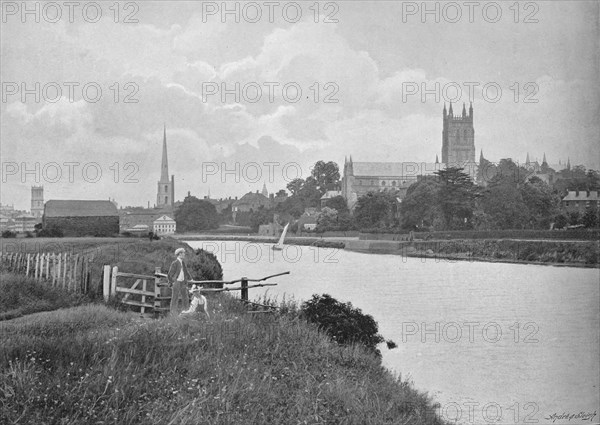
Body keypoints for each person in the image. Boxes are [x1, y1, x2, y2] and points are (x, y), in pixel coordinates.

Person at [167, 248, 191, 314]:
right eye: (183, 253)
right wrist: (173, 282)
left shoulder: (183, 263)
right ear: (180, 254)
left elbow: (186, 272)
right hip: (177, 282)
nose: (184, 254)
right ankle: (173, 313)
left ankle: (186, 312)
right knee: (175, 298)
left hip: (183, 282)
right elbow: (169, 275)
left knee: (185, 297)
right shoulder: (175, 263)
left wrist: (191, 279)